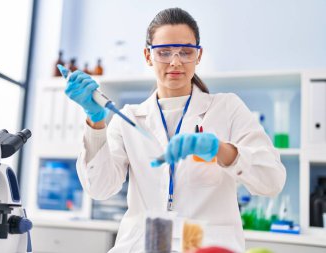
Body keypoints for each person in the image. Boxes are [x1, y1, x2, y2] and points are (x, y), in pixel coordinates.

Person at [63, 7, 286, 253]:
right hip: (142, 246)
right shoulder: (129, 118)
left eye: (186, 52)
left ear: (198, 56)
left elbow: (272, 180)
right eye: (164, 52)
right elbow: (100, 188)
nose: (176, 61)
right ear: (148, 56)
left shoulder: (227, 108)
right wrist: (95, 121)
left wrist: (221, 150)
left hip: (206, 247)